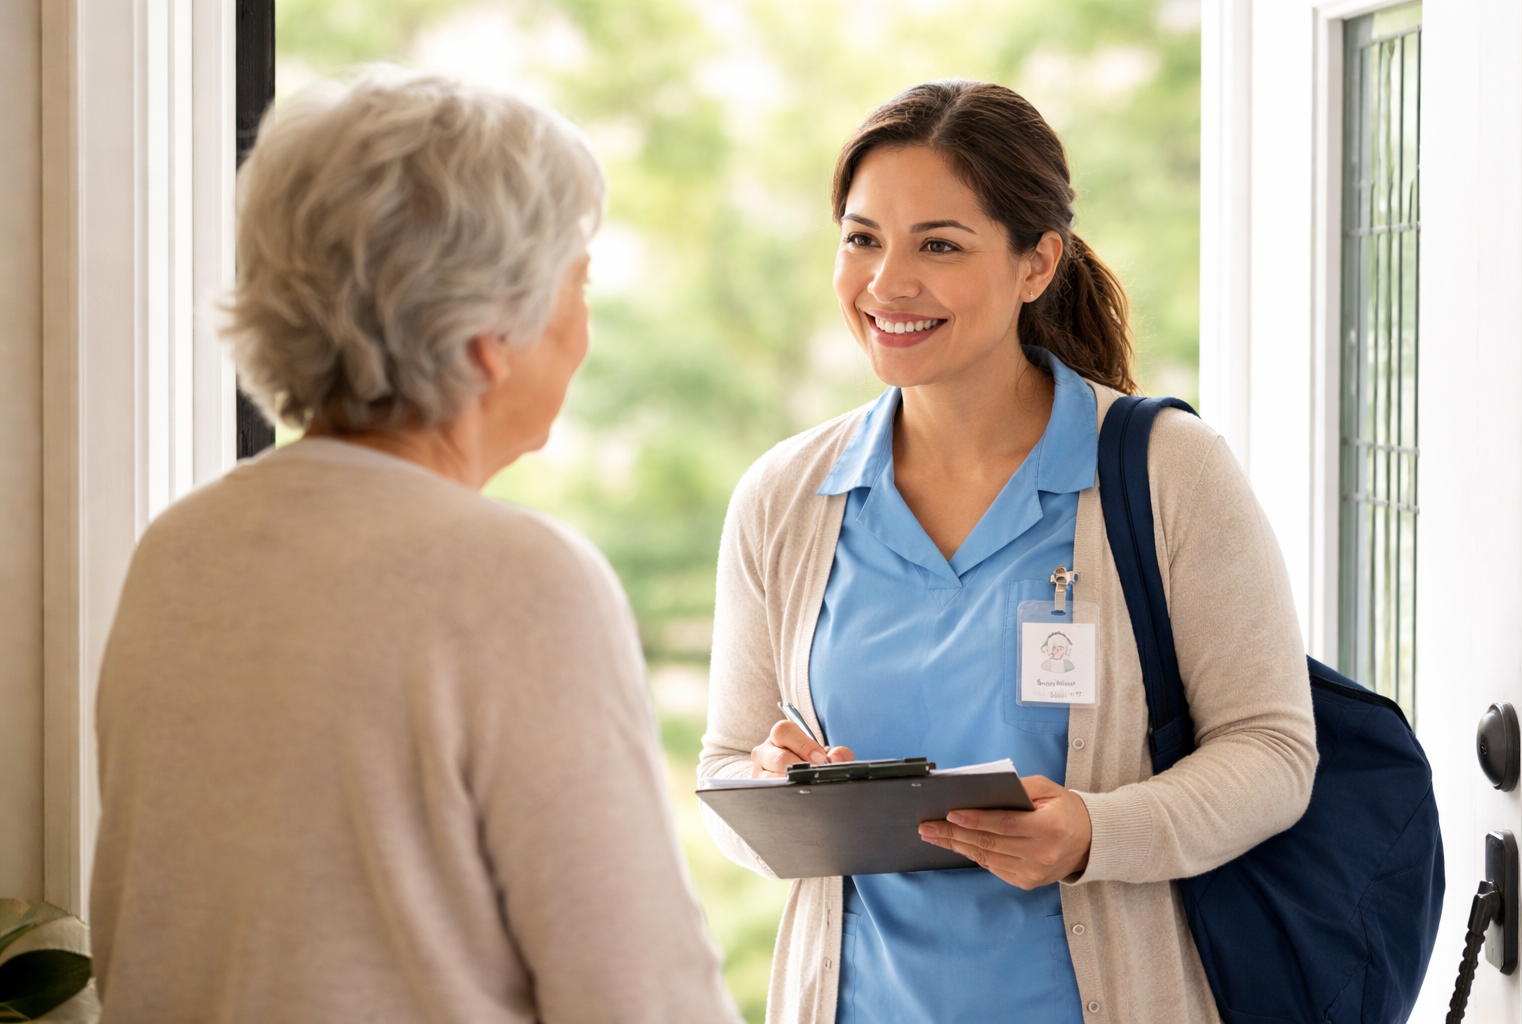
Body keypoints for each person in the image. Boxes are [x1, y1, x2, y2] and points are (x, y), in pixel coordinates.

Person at [91, 67, 741, 1024]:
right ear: (490, 334)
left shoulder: (180, 550)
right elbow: (642, 998)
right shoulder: (520, 580)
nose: (585, 328)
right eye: (579, 284)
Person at [700, 80, 1318, 1024]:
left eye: (938, 244)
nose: (886, 284)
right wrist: (776, 790)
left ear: (1037, 264)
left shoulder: (1164, 474)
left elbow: (1274, 752)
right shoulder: (785, 499)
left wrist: (1094, 833)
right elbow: (726, 779)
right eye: (862, 238)